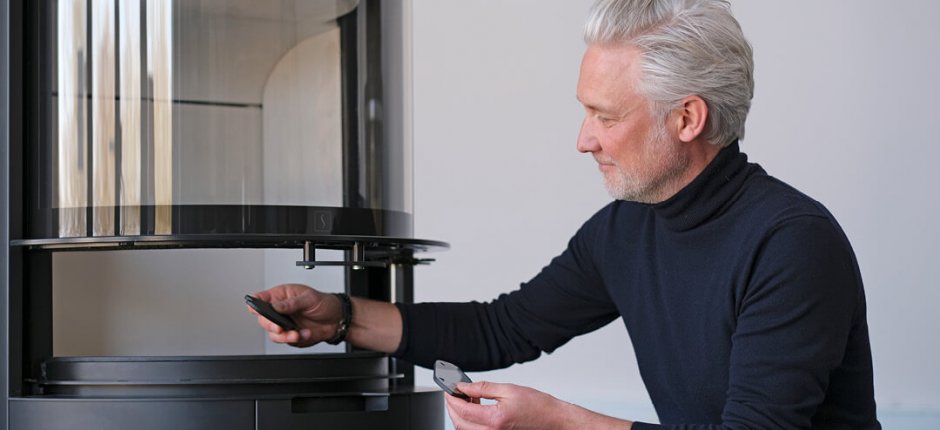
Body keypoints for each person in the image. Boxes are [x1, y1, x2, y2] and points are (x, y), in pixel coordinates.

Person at [249, 0, 880, 428]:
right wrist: (340, 317)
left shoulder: (793, 244)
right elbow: (501, 330)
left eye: (606, 116)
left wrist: (561, 420)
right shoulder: (627, 229)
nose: (584, 139)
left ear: (687, 118)